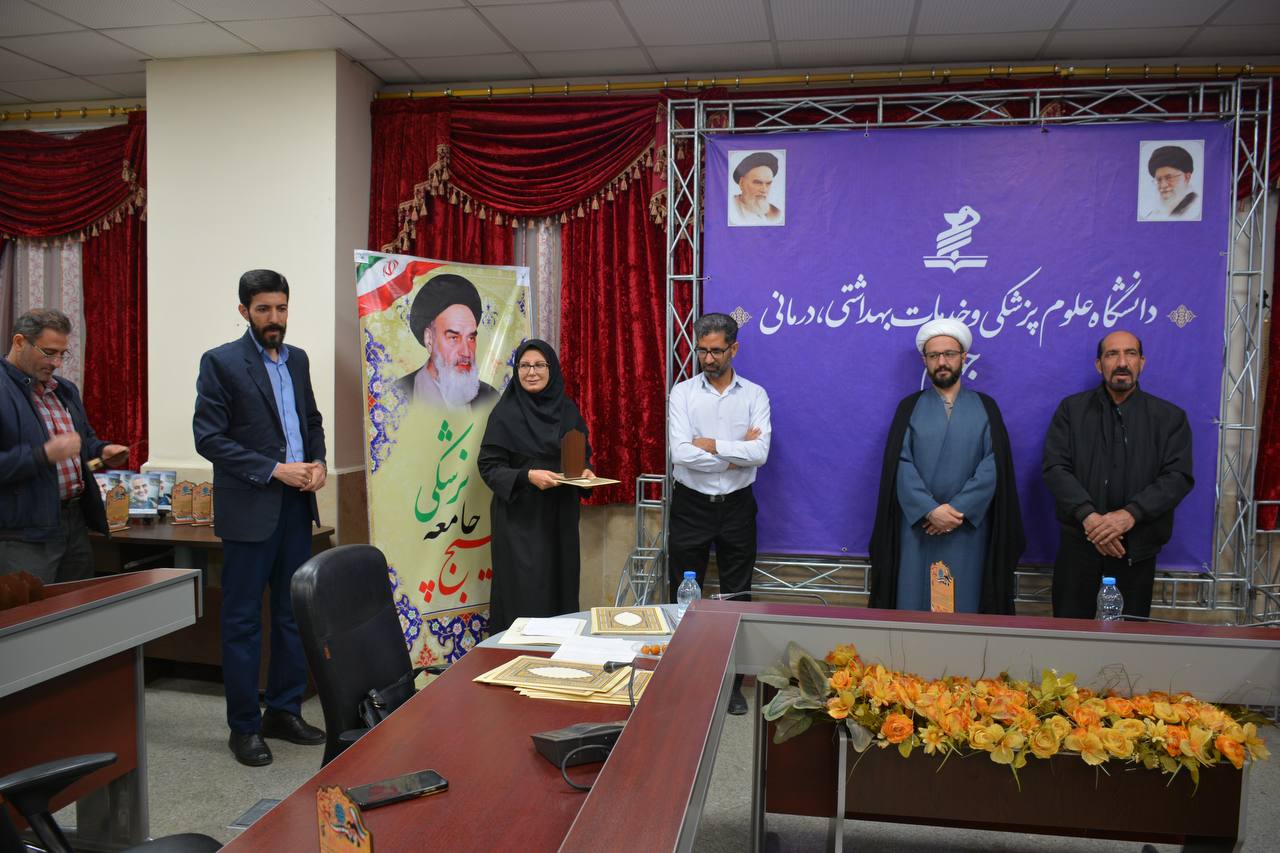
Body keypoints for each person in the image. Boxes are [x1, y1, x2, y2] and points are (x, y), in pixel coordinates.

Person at [194, 269, 328, 767]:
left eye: (282, 308)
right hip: (250, 509)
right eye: (264, 309)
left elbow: (310, 420)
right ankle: (245, 726)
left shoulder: (299, 360)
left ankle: (284, 711)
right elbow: (209, 438)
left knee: (293, 615)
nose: (275, 318)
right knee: (244, 621)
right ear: (244, 311)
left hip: (296, 508)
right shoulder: (222, 362)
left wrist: (319, 464)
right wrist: (274, 469)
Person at [869, 318, 1024, 614]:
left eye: (949, 354)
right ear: (925, 361)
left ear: (963, 357)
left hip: (968, 528)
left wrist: (957, 510)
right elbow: (900, 464)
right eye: (934, 355)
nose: (942, 362)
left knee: (964, 607)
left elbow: (994, 464)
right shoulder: (909, 408)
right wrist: (930, 510)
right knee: (915, 607)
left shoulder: (986, 407)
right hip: (918, 528)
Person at [1043, 330, 1194, 619]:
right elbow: (1055, 468)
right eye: (1112, 354)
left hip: (1135, 551)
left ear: (1142, 362)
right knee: (1069, 637)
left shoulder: (1169, 418)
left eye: (1130, 354)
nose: (1122, 362)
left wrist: (1128, 516)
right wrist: (1091, 519)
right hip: (1080, 546)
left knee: (1127, 640)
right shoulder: (1071, 411)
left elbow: (1177, 477)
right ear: (1099, 364)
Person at [668, 313, 771, 714]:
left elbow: (760, 453)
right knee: (682, 593)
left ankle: (731, 685)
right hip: (691, 505)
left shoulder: (755, 396)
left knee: (737, 593)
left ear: (734, 348)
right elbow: (681, 453)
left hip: (737, 507)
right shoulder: (682, 394)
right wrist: (733, 454)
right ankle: (684, 676)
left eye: (716, 351)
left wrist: (711, 445)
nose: (708, 359)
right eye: (702, 350)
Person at [0, 309, 129, 583]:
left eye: (62, 354)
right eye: (49, 353)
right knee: (31, 608)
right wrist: (43, 455)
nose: (57, 363)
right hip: (22, 533)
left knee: (77, 604)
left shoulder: (65, 389)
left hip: (74, 522)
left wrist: (102, 450)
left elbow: (84, 440)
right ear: (19, 342)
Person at [478, 340, 592, 634]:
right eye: (524, 366)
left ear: (551, 369)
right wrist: (528, 476)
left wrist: (585, 471)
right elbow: (489, 467)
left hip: (561, 519)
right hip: (521, 523)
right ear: (516, 370)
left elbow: (581, 454)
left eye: (539, 365)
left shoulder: (567, 410)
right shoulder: (505, 414)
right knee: (525, 596)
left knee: (562, 590)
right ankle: (517, 657)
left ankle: (558, 658)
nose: (531, 372)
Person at [394, 273, 499, 409]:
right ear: (429, 339)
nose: (466, 352)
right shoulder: (398, 395)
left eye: (471, 338)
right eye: (454, 338)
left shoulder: (489, 398)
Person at [1142, 145, 1200, 220]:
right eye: (1159, 180)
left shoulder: (1195, 208)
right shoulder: (1153, 215)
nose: (1163, 185)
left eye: (1169, 178)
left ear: (1186, 177)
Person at [728, 151, 783, 226]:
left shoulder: (776, 213)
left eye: (768, 183)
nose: (764, 190)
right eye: (758, 183)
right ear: (742, 183)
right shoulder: (730, 208)